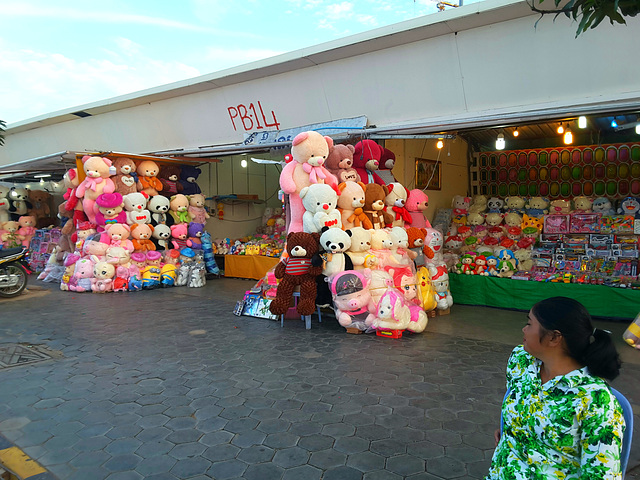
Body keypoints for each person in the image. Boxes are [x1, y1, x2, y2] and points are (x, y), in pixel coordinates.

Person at [487, 296, 625, 479]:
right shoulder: (521, 361)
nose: (524, 329)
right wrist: (513, 427)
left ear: (554, 337)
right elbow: (518, 401)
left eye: (529, 324)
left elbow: (601, 475)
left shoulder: (596, 402)